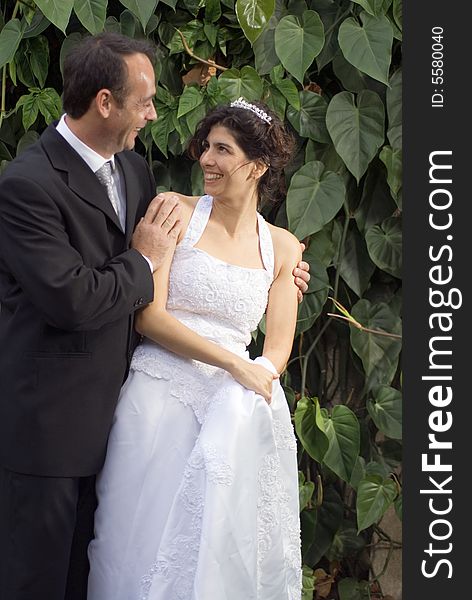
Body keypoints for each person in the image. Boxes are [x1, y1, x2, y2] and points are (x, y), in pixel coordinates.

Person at [0, 33, 309, 600]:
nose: (156, 114)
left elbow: (247, 300)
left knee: (132, 561)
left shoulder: (135, 172)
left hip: (125, 408)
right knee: (46, 575)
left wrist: (279, 278)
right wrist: (145, 260)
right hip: (59, 420)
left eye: (224, 150)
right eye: (145, 102)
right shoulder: (27, 185)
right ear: (105, 103)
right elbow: (75, 297)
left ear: (259, 167)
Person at [87, 99, 303, 600]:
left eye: (222, 150)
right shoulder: (173, 210)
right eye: (206, 147)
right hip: (159, 399)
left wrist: (253, 384)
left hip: (234, 413)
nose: (206, 159)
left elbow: (277, 347)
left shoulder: (284, 247)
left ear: (257, 166)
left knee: (217, 545)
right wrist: (234, 364)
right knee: (133, 537)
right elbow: (150, 317)